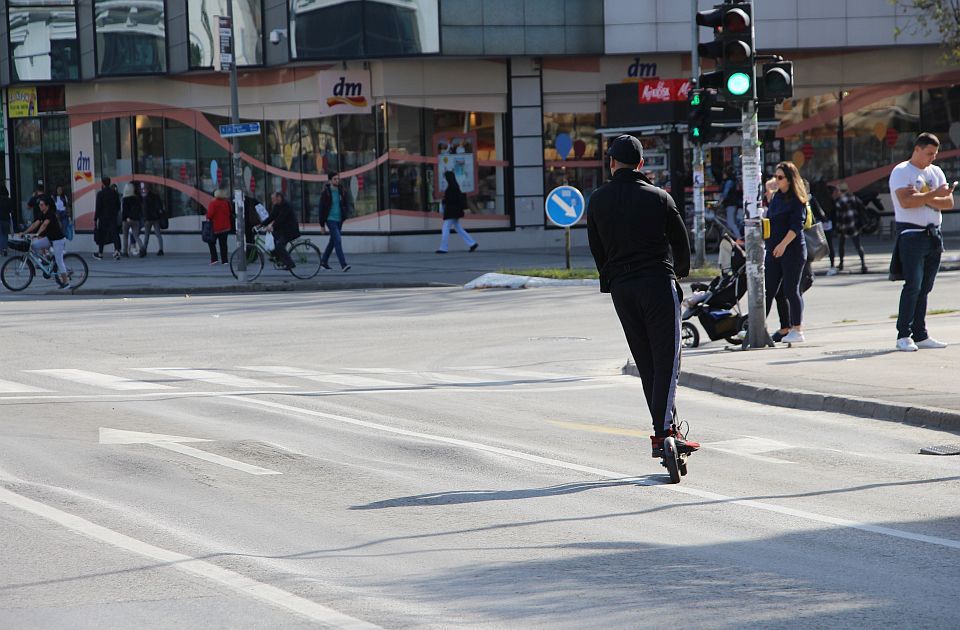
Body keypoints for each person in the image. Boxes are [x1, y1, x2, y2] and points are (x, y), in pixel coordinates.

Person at [586, 134, 699, 459]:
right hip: (656, 283)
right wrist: (679, 273)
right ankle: (663, 432)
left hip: (623, 289)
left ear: (611, 163)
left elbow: (597, 248)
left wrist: (610, 278)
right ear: (641, 164)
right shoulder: (659, 197)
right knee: (668, 360)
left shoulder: (597, 200)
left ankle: (667, 427)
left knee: (647, 361)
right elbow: (681, 242)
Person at [889, 132, 955, 351]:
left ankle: (920, 334)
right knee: (913, 285)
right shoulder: (901, 171)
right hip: (911, 235)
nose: (932, 158)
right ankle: (903, 335)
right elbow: (906, 202)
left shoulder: (935, 171)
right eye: (929, 153)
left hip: (933, 234)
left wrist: (924, 197)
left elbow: (948, 203)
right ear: (917, 149)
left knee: (925, 287)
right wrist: (934, 196)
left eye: (935, 154)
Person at [763, 161, 808, 343]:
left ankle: (797, 330)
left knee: (791, 290)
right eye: (775, 176)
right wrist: (768, 187)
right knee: (769, 290)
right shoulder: (776, 197)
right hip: (773, 251)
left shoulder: (797, 199)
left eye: (780, 177)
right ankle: (757, 326)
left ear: (790, 180)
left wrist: (782, 245)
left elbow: (796, 225)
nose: (777, 180)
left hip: (792, 251)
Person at [20, 197, 71, 289]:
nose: (40, 206)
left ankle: (66, 282)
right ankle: (45, 261)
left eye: (42, 205)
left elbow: (44, 225)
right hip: (50, 238)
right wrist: (24, 233)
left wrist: (37, 234)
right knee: (33, 245)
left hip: (58, 240)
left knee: (59, 261)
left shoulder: (50, 214)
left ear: (47, 206)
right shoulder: (42, 214)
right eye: (39, 205)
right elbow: (35, 224)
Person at [436, 170, 479, 254]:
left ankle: (443, 248)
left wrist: (444, 200)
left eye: (445, 177)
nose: (444, 179)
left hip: (451, 212)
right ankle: (472, 243)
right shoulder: (455, 186)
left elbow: (451, 200)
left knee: (445, 229)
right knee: (458, 228)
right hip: (455, 212)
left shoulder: (451, 188)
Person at [319, 172, 353, 271]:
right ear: (330, 180)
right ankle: (343, 265)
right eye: (335, 179)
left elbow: (345, 203)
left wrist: (345, 213)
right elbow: (321, 209)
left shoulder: (341, 190)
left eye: (338, 179)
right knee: (337, 240)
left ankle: (324, 261)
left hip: (339, 219)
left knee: (333, 241)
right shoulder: (326, 192)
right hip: (330, 220)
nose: (337, 181)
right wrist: (322, 225)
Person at [833, 182, 867, 274]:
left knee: (841, 245)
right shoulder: (853, 198)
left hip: (844, 225)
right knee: (858, 245)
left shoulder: (839, 201)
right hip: (854, 224)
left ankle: (841, 263)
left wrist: (837, 228)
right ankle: (863, 264)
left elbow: (839, 216)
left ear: (839, 191)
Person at [261, 191, 299, 270]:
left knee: (279, 246)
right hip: (282, 229)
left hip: (290, 230)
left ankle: (290, 264)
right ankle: (278, 258)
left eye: (273, 199)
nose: (272, 201)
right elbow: (272, 217)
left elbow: (281, 218)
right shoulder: (277, 206)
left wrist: (272, 226)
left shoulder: (286, 205)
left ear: (279, 198)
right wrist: (261, 225)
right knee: (272, 240)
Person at [93, 177, 122, 260]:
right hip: (112, 217)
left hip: (103, 217)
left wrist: (95, 218)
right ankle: (117, 251)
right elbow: (118, 205)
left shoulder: (100, 194)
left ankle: (100, 253)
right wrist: (115, 213)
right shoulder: (114, 193)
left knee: (102, 235)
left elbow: (98, 207)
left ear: (102, 183)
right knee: (114, 233)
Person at [205, 188, 232, 265]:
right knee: (223, 244)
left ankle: (214, 259)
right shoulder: (226, 203)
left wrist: (207, 217)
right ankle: (225, 260)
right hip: (225, 227)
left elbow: (210, 214)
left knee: (211, 242)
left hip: (215, 227)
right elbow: (229, 213)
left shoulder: (213, 203)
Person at [141, 183, 165, 256]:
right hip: (156, 218)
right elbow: (160, 207)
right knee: (158, 234)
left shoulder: (146, 198)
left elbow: (145, 209)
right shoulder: (156, 196)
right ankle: (161, 249)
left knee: (146, 235)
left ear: (147, 189)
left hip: (148, 219)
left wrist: (145, 218)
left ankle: (144, 249)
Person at [719, 165, 743, 239]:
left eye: (724, 173)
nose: (723, 175)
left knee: (731, 223)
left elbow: (725, 194)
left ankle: (739, 239)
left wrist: (719, 203)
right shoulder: (731, 181)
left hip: (731, 204)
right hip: (731, 204)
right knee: (730, 223)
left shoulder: (729, 182)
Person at [120, 182, 143, 257]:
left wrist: (125, 218)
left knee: (125, 236)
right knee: (136, 235)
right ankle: (142, 248)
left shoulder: (125, 199)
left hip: (126, 220)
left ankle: (125, 252)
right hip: (135, 219)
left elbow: (125, 210)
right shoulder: (136, 199)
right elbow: (139, 209)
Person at [0, 184, 13, 257]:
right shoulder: (9, 200)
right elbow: (11, 210)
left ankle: (0, 250)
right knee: (5, 235)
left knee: (0, 234)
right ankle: (4, 249)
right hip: (6, 219)